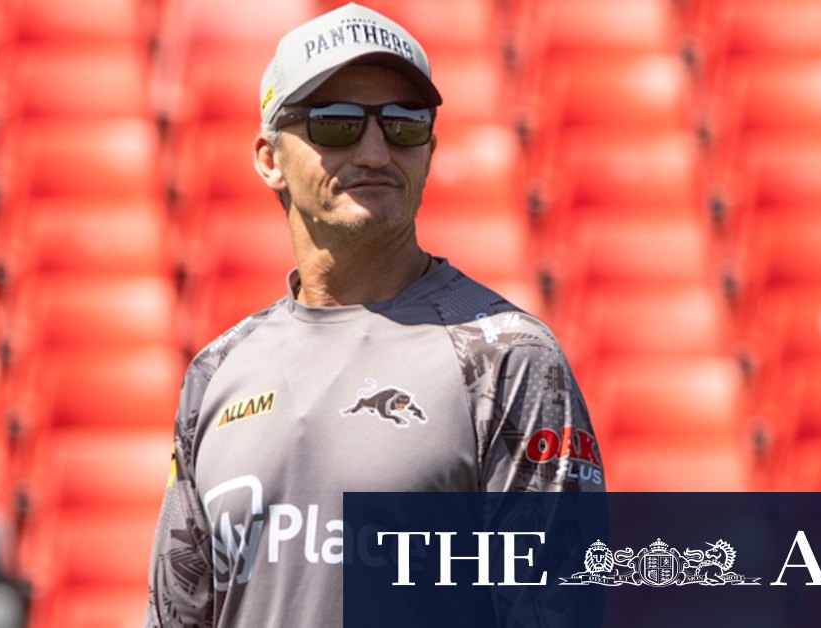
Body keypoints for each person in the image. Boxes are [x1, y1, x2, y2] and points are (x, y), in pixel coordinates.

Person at [146, 3, 604, 626]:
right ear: (269, 158)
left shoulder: (506, 358)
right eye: (335, 123)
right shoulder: (216, 373)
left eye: (403, 125)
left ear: (429, 151)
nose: (373, 151)